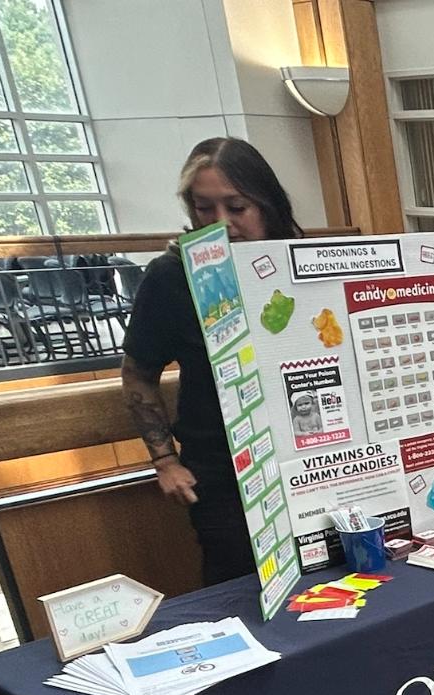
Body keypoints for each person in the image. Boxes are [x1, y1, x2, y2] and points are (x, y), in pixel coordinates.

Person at [121, 137, 304, 585]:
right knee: (239, 591)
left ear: (267, 204)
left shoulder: (299, 261)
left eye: (237, 207)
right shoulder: (171, 276)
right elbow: (138, 371)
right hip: (223, 476)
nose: (222, 224)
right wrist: (164, 460)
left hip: (306, 463)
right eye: (205, 209)